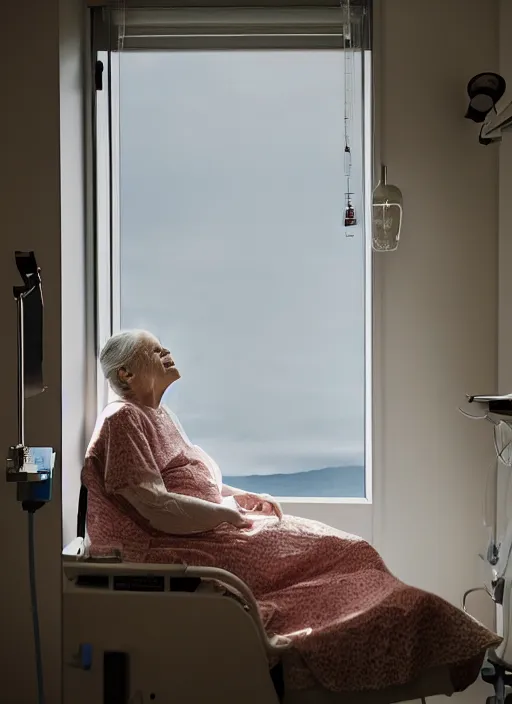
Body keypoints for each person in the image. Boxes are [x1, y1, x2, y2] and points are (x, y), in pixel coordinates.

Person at [83, 329, 500, 695]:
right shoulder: (123, 420)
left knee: (347, 549)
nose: (167, 351)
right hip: (182, 548)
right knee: (339, 553)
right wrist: (226, 516)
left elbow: (185, 480)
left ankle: (415, 623)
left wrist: (241, 497)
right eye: (154, 351)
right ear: (126, 375)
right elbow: (156, 507)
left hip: (209, 529)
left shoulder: (158, 416)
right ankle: (403, 630)